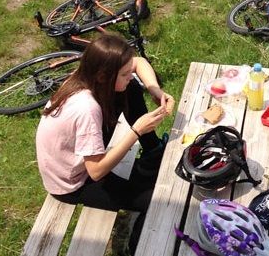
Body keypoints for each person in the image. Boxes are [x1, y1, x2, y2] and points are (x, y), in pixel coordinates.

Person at [35, 33, 175, 252]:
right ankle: (137, 246)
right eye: (124, 74)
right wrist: (137, 131)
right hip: (73, 183)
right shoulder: (87, 109)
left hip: (81, 161)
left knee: (131, 88)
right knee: (156, 199)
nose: (130, 75)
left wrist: (154, 90)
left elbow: (139, 62)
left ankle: (153, 152)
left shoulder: (87, 76)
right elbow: (96, 171)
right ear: (103, 76)